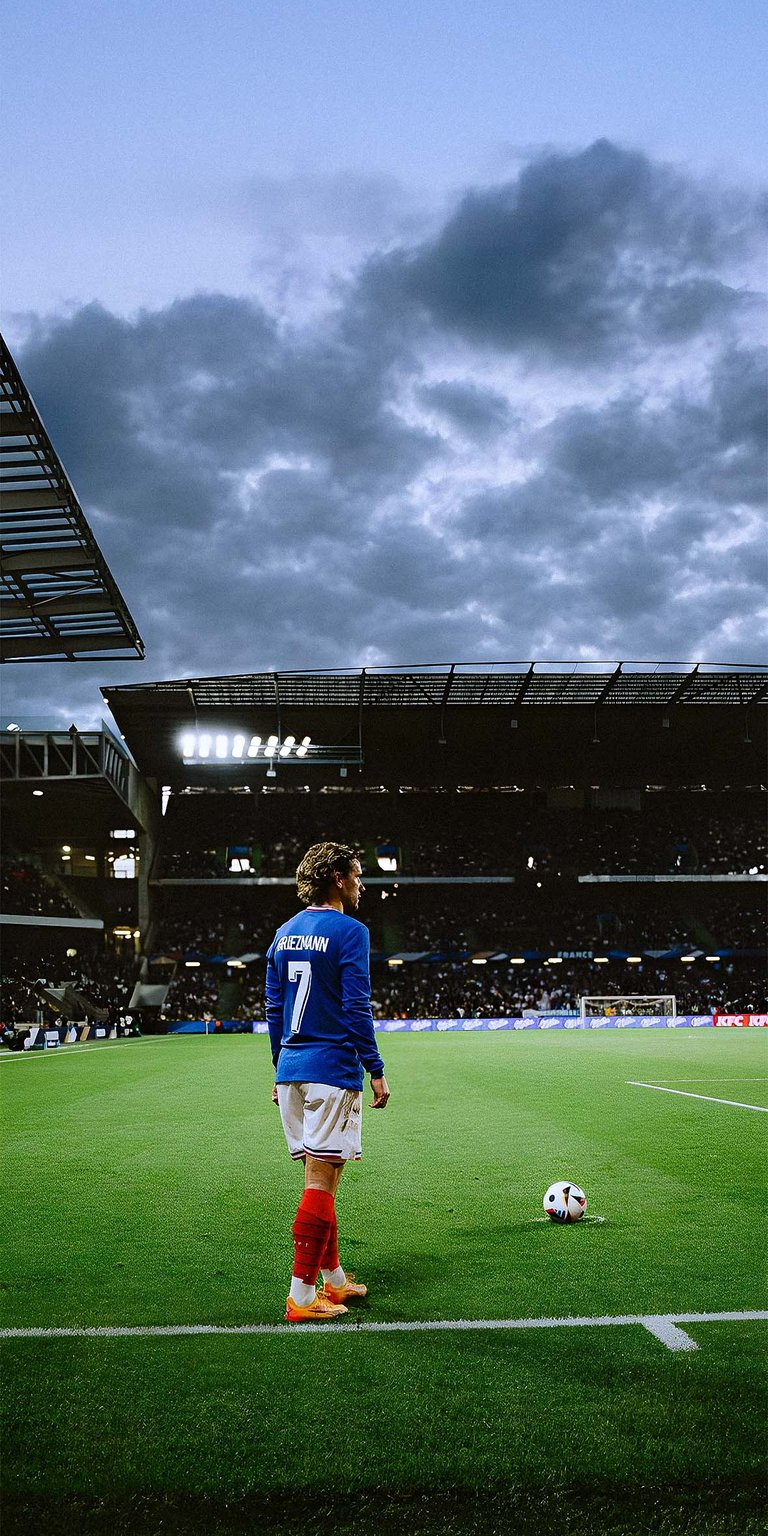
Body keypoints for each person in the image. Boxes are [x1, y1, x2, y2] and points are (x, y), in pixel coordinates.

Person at [265, 842, 390, 1323]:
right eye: (357, 875)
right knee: (322, 1180)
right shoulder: (350, 932)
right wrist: (374, 1068)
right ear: (337, 877)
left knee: (322, 1179)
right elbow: (357, 1007)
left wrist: (279, 1068)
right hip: (332, 1071)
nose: (362, 884)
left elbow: (275, 1010)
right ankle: (300, 1296)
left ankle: (333, 1281)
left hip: (292, 1070)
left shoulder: (284, 933)